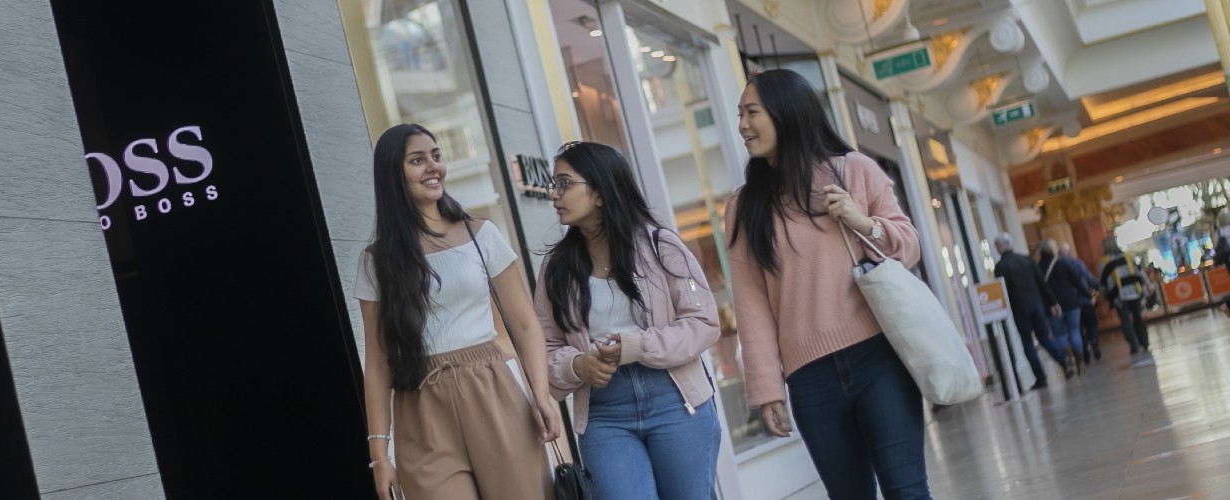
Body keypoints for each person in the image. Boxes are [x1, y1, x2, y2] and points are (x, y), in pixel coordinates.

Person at [726, 69, 931, 499]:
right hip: (809, 378)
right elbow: (752, 305)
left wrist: (863, 223)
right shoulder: (744, 207)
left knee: (907, 491)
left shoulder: (854, 170)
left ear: (787, 113)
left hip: (879, 358)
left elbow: (908, 247)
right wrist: (766, 388)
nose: (742, 124)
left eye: (752, 112)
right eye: (740, 114)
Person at [356, 124, 561, 500]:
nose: (433, 167)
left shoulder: (480, 234)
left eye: (436, 156)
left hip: (492, 390)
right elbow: (378, 361)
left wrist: (542, 395)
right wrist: (379, 455)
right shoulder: (376, 262)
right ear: (392, 174)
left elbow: (524, 323)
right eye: (417, 160)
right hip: (420, 406)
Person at [535, 141, 723, 500]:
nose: (554, 194)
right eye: (552, 185)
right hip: (605, 414)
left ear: (601, 193)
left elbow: (704, 322)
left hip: (675, 400)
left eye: (564, 183)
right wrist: (577, 365)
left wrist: (638, 346)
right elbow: (544, 348)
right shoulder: (556, 268)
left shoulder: (660, 246)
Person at [994, 234, 1070, 384]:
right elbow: (1042, 282)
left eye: (996, 246)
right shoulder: (1026, 260)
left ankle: (1041, 378)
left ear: (1001, 246)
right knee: (1044, 337)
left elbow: (1004, 291)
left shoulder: (1001, 267)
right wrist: (1053, 302)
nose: (996, 249)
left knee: (1028, 343)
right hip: (1037, 305)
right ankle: (1064, 360)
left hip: (1020, 309)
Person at [1099, 236, 1152, 367]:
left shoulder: (1104, 262)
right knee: (1138, 317)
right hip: (1135, 292)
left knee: (1125, 321)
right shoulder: (1128, 257)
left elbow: (1102, 282)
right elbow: (1139, 272)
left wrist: (1103, 297)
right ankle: (1144, 343)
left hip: (1119, 296)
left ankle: (1134, 346)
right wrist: (1148, 284)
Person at [1037, 241, 1087, 374]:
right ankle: (1080, 362)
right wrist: (1090, 295)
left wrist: (1049, 305)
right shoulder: (1064, 263)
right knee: (1074, 332)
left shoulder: (1038, 267)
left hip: (1052, 307)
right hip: (1071, 303)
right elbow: (1077, 282)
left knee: (1058, 335)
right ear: (1054, 250)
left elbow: (1040, 290)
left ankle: (1069, 359)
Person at [1060, 242, 1102, 362]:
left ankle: (1085, 354)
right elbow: (1090, 279)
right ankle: (1094, 340)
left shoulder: (1057, 268)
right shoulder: (1077, 263)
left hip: (1071, 304)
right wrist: (1094, 294)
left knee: (1076, 329)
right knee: (1091, 324)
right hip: (1085, 301)